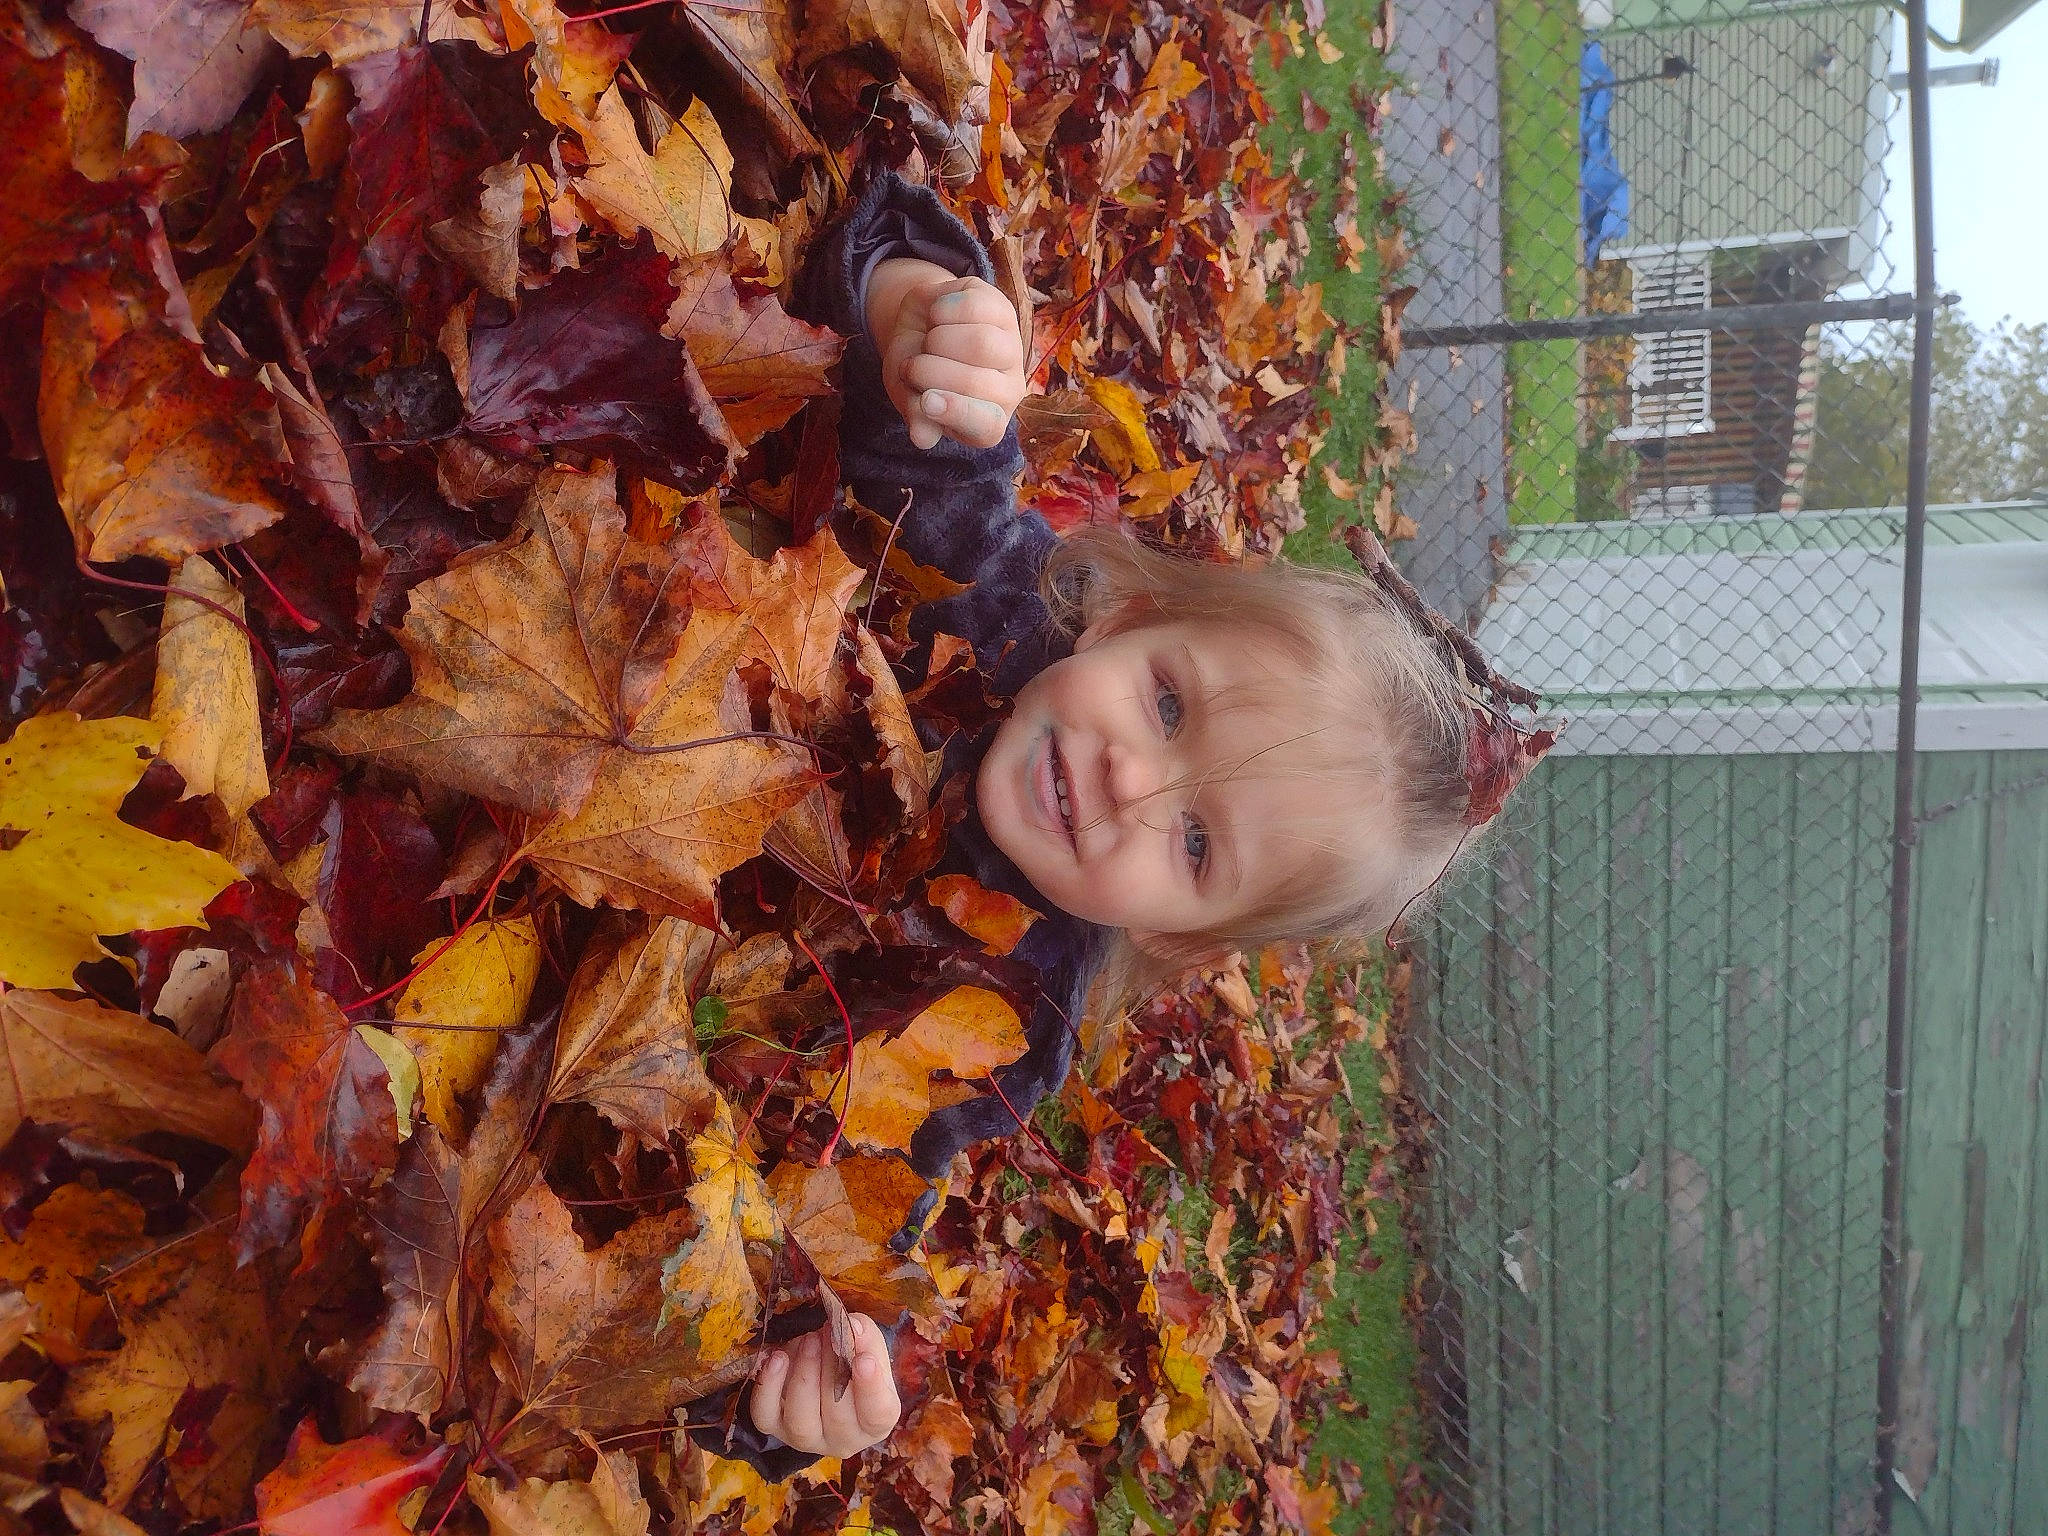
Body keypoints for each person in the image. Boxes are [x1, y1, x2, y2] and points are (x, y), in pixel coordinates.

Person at [693, 171, 1545, 1475]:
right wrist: (921, 311)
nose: (1125, 785)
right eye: (1163, 706)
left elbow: (842, 1227)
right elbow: (871, 264)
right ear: (1137, 619)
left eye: (1197, 846)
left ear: (1180, 928)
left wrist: (794, 1399)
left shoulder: (1011, 1014)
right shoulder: (986, 581)